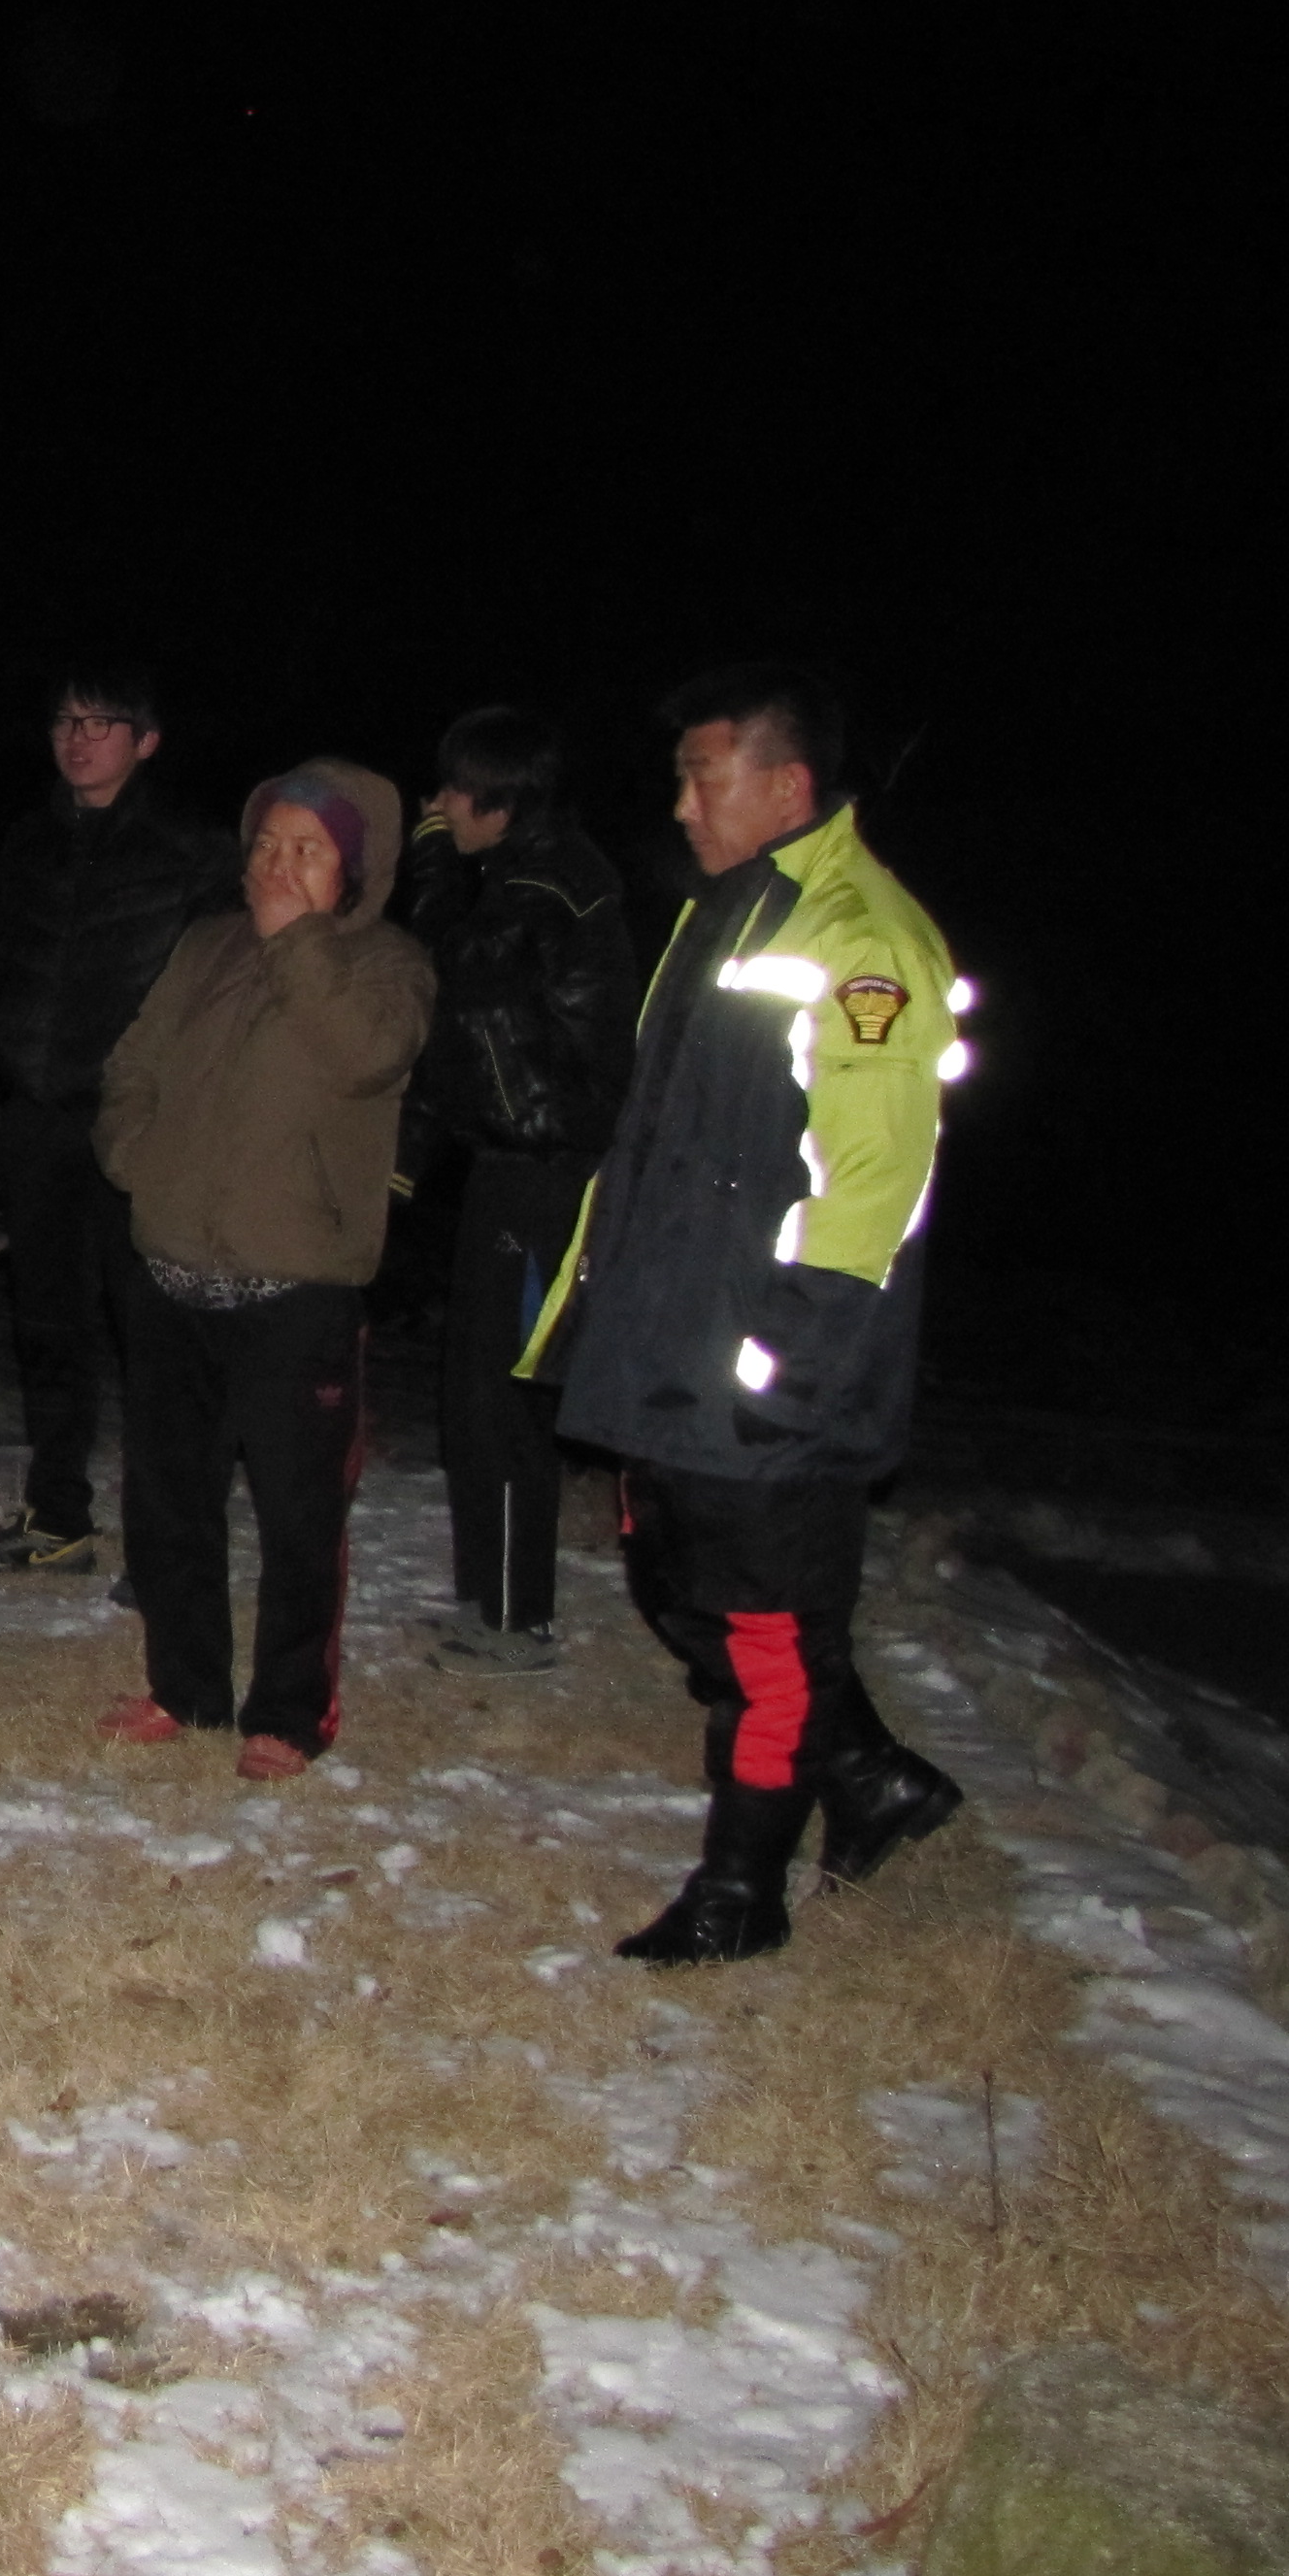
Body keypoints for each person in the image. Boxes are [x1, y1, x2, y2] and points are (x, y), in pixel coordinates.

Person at [526, 664, 969, 1964]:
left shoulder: (863, 939)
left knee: (771, 1641)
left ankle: (739, 1897)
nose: (680, 805)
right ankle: (873, 1779)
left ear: (785, 785)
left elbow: (870, 1181)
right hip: (674, 1342)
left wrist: (791, 1361)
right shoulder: (729, 912)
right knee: (682, 1593)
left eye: (701, 777)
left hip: (763, 1367)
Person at [94, 760, 434, 1777]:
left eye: (308, 850)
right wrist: (137, 1158)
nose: (279, 866)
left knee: (300, 1513)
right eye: (268, 844)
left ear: (353, 869)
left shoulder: (388, 965)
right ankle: (184, 1685)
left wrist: (298, 942)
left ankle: (289, 1711)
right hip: (172, 1271)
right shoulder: (206, 947)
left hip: (298, 1285)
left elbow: (365, 1058)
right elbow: (132, 1064)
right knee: (167, 1501)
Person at [0, 666, 239, 1575]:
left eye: (100, 723)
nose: (78, 739)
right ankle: (57, 1514)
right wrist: (15, 1048)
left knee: (151, 1326)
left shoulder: (191, 849)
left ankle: (169, 1537)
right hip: (40, 1114)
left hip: (140, 1119)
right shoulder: (30, 840)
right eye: (65, 722)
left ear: (145, 741)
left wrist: (150, 1084)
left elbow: (216, 984)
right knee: (46, 1321)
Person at [387, 707, 638, 1672]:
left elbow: (452, 980)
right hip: (514, 1166)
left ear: (498, 795)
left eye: (454, 790)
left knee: (499, 1395)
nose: (440, 806)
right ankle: (490, 1601)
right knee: (477, 1391)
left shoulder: (544, 885)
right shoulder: (531, 875)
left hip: (545, 1174)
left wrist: (430, 867)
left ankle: (512, 1619)